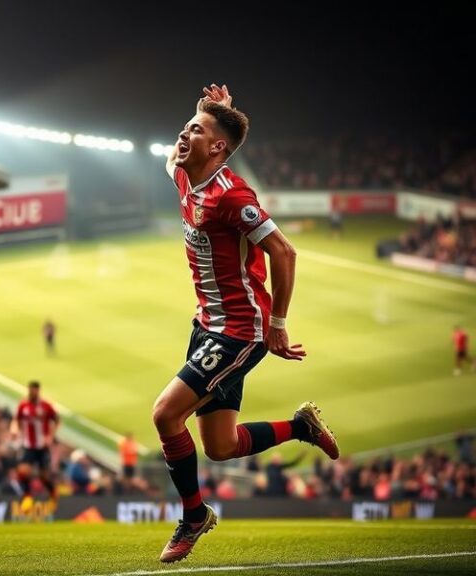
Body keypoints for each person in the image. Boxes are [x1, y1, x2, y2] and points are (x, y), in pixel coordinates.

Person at [152, 83, 340, 563]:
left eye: (194, 131)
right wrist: (211, 113)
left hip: (240, 329)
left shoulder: (232, 196)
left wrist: (277, 322)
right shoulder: (182, 173)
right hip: (207, 325)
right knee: (220, 446)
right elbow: (191, 146)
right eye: (185, 127)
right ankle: (300, 428)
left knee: (165, 414)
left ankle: (195, 517)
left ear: (216, 147)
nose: (182, 135)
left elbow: (284, 250)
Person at [10, 381, 59, 505]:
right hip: (28, 446)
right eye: (31, 390)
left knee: (44, 477)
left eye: (35, 390)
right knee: (22, 470)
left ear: (38, 391)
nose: (32, 392)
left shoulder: (46, 406)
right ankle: (27, 495)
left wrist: (50, 436)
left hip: (42, 447)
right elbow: (16, 420)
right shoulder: (23, 405)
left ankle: (53, 492)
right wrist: (15, 429)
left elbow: (56, 420)